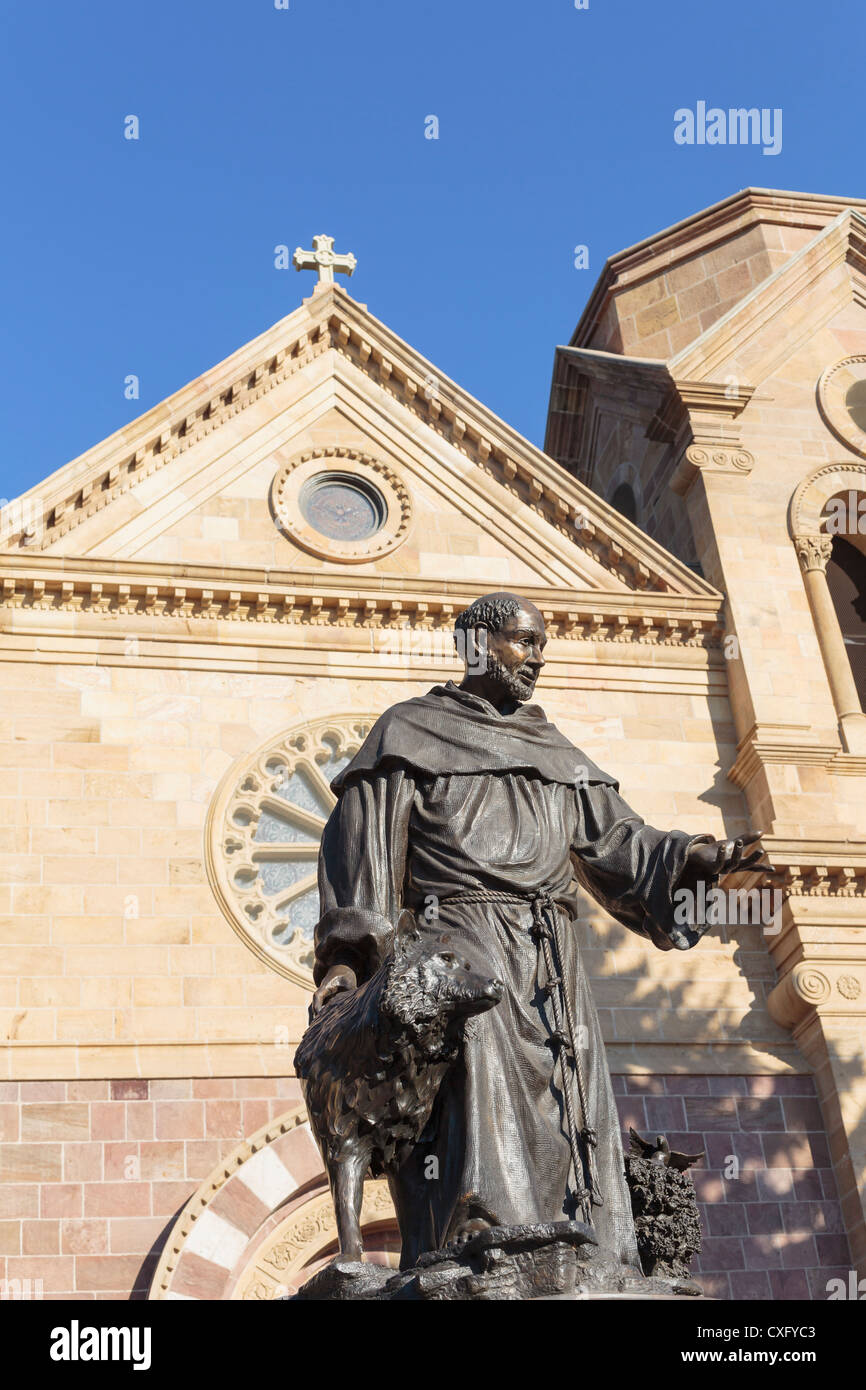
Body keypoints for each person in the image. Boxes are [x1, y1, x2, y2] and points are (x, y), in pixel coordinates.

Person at [310, 591, 762, 1269]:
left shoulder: (553, 748)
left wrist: (691, 856)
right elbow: (365, 852)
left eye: (542, 646)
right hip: (458, 942)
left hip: (552, 959)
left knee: (568, 1102)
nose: (536, 659)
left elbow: (620, 841)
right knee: (479, 1092)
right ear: (476, 644)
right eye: (524, 642)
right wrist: (347, 964)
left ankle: (590, 1256)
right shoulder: (409, 731)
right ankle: (480, 1243)